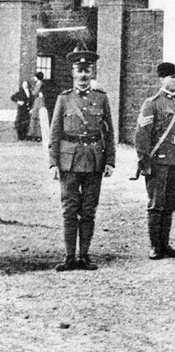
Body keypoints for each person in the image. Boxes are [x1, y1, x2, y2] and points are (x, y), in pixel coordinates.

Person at [47, 48, 115, 271]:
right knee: (69, 209)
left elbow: (109, 132)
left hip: (94, 160)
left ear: (92, 72)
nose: (83, 75)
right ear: (73, 73)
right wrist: (53, 162)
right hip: (69, 161)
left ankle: (84, 256)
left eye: (87, 70)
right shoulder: (64, 99)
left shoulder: (101, 98)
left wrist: (110, 161)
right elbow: (55, 132)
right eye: (79, 70)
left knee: (88, 210)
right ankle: (69, 257)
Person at [135, 62, 175, 260]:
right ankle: (155, 246)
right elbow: (142, 136)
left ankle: (165, 244)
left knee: (170, 204)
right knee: (156, 204)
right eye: (173, 77)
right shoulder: (152, 103)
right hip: (158, 162)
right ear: (162, 79)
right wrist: (144, 162)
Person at [29, 72, 45, 141]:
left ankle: (37, 135)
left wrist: (31, 89)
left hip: (39, 101)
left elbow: (34, 93)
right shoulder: (38, 83)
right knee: (36, 117)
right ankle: (35, 135)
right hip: (38, 100)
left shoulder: (40, 84)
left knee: (37, 117)